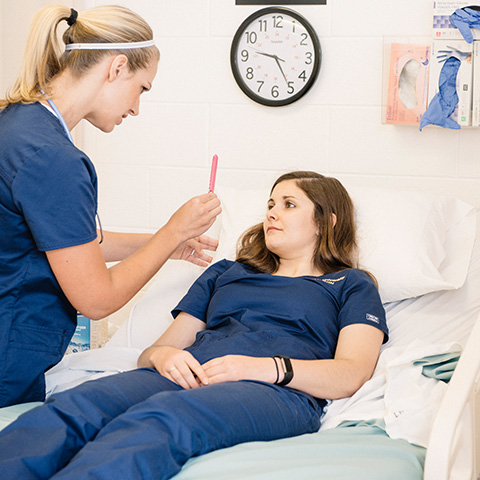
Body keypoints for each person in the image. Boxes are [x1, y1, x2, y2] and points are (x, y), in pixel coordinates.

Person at [0, 171, 388, 480]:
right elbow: (155, 351)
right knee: (77, 404)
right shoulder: (227, 272)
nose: (271, 213)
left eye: (289, 205)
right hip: (190, 374)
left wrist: (259, 367)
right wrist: (165, 356)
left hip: (274, 391)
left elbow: (351, 373)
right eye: (270, 204)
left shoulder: (351, 284)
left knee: (160, 421)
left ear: (327, 221)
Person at [0, 5, 221, 408]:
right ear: (116, 68)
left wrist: (163, 244)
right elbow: (96, 299)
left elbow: (72, 243)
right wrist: (174, 230)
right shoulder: (53, 158)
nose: (136, 108)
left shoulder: (17, 123)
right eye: (142, 88)